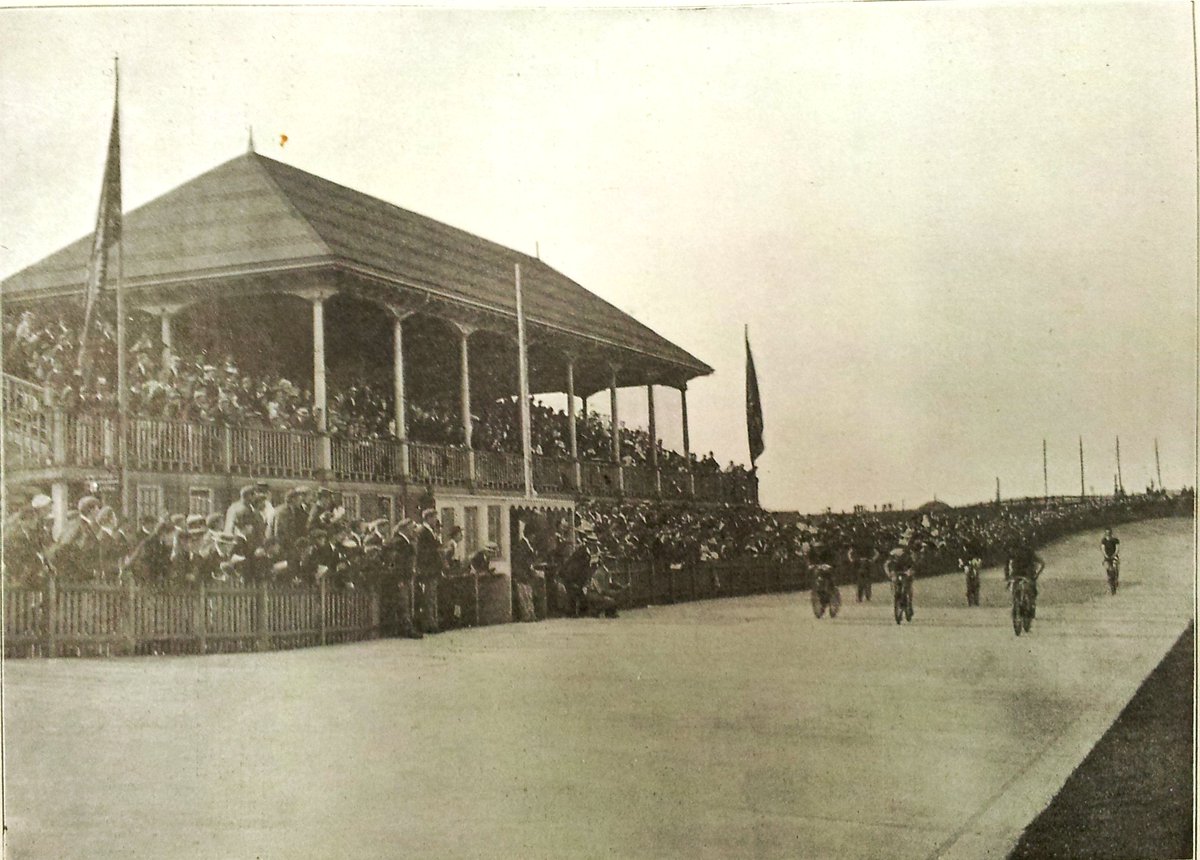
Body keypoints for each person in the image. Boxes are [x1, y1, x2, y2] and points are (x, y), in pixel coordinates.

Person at [414, 509, 443, 633]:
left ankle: (432, 622)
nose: (435, 520)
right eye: (434, 518)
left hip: (432, 570)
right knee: (428, 598)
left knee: (431, 597)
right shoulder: (423, 531)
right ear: (428, 518)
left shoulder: (429, 531)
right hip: (428, 570)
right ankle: (429, 624)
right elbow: (423, 552)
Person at [1006, 541, 1045, 615]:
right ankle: (1030, 606)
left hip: (1017, 575)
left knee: (1016, 591)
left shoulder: (1013, 553)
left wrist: (1008, 576)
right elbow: (1042, 563)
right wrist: (1037, 575)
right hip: (1027, 576)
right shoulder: (1030, 553)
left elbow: (1008, 564)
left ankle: (1017, 605)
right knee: (1031, 591)